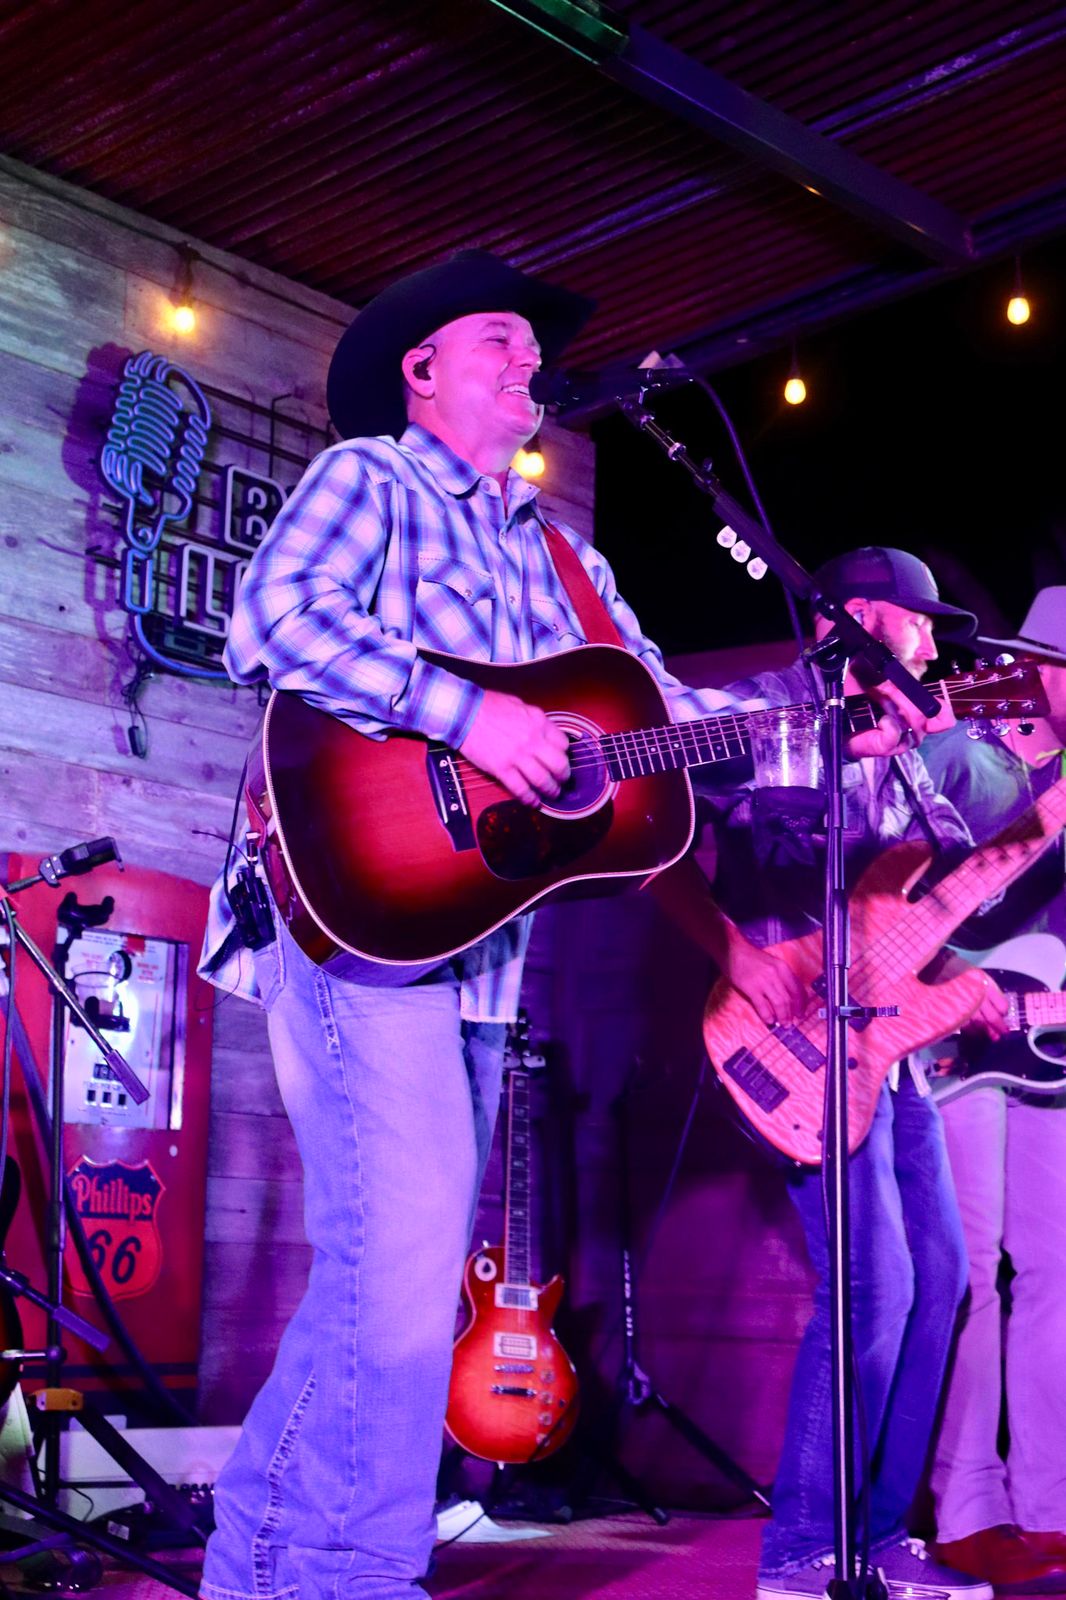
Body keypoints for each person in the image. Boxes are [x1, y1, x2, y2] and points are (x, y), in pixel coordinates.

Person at [195, 252, 935, 1600]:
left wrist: (823, 720)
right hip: (352, 909)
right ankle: (341, 1576)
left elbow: (668, 723)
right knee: (398, 1265)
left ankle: (266, 1564)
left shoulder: (565, 560)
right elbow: (270, 620)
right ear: (421, 368)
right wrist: (475, 718)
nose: (528, 359)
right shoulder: (369, 481)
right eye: (499, 338)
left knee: (395, 1268)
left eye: (532, 347)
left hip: (477, 955)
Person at [698, 547, 1008, 1600]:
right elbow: (668, 767)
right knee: (874, 1285)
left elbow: (962, 866)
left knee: (943, 1279)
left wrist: (957, 751)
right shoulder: (763, 704)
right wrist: (828, 742)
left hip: (890, 1047)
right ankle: (799, 1550)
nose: (933, 649)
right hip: (791, 1039)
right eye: (921, 625)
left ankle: (874, 1536)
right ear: (868, 618)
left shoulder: (916, 750)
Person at [920, 589, 1066, 1589]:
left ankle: (1048, 1503)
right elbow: (910, 886)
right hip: (956, 1036)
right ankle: (965, 1500)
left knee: (1054, 1272)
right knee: (972, 1271)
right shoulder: (969, 758)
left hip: (1050, 1043)